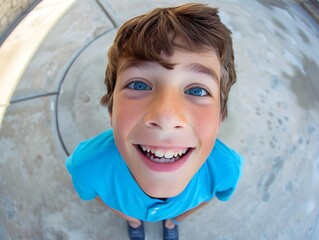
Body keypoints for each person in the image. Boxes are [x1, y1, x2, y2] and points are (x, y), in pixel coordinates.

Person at [66, 3, 243, 240]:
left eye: (198, 91)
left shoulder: (226, 167)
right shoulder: (86, 165)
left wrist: (176, 219)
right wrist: (128, 216)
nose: (166, 118)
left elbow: (216, 194)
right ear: (111, 108)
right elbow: (93, 193)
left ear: (221, 116)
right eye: (139, 85)